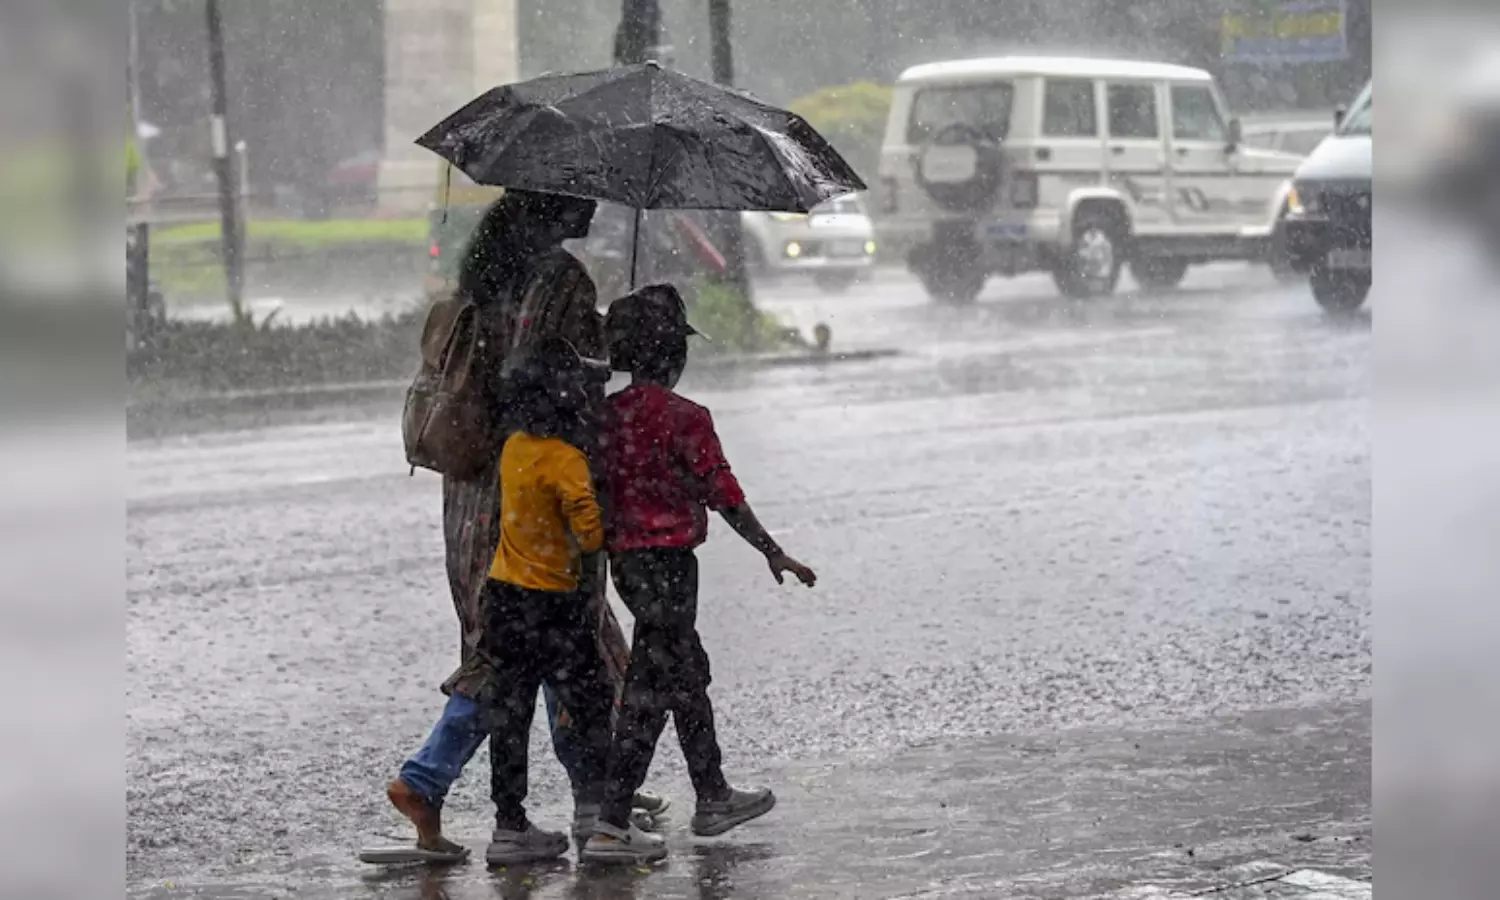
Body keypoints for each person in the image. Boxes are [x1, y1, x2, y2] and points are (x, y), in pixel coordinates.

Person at [386, 195, 668, 859]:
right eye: (582, 196)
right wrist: (613, 344)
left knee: (520, 646)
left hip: (478, 490)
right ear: (552, 206)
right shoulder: (563, 280)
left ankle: (588, 794)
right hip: (541, 489)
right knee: (564, 647)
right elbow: (565, 385)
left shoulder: (482, 277)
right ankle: (445, 781)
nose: (595, 207)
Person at [581, 284, 818, 865]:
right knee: (650, 688)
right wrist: (771, 549)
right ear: (673, 355)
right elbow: (722, 492)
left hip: (627, 567)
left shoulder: (603, 419)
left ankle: (712, 795)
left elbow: (599, 491)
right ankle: (612, 822)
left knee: (684, 670)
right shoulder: (687, 418)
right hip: (670, 566)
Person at [477, 334, 639, 865]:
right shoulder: (567, 459)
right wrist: (600, 507)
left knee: (511, 714)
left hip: (503, 599)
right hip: (554, 606)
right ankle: (594, 811)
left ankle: (509, 825)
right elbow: (589, 535)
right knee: (589, 705)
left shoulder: (513, 449)